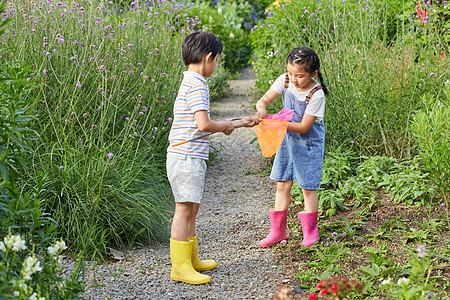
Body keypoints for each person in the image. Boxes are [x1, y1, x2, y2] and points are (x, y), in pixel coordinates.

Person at [166, 31, 257, 285]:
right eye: (217, 60)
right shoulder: (197, 85)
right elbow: (204, 124)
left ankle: (191, 259)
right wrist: (227, 127)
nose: (216, 65)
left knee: (191, 208)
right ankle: (180, 267)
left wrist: (236, 123)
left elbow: (202, 124)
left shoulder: (191, 81)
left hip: (187, 155)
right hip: (185, 157)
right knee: (184, 209)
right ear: (208, 57)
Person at [254, 46, 329, 248]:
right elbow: (264, 100)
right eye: (291, 73)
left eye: (300, 76)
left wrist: (277, 123)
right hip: (287, 141)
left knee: (307, 187)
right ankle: (277, 232)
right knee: (282, 183)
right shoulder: (284, 80)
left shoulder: (316, 94)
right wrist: (262, 111)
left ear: (313, 73)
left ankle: (311, 232)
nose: (294, 79)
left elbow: (304, 127)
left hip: (308, 143)